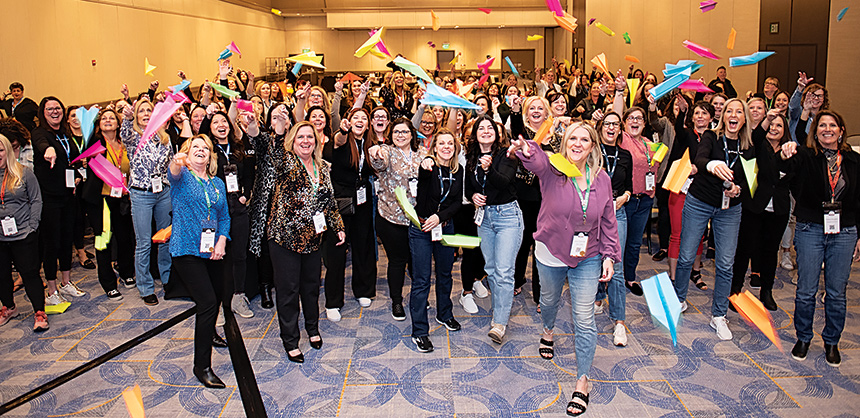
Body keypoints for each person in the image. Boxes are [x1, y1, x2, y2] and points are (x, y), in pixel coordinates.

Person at [509, 122, 619, 417]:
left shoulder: (602, 179)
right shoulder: (553, 171)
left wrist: (609, 255)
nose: (578, 143)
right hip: (552, 251)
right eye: (573, 138)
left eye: (585, 139)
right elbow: (537, 159)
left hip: (588, 254)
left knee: (584, 319)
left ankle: (582, 381)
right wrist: (526, 149)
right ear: (564, 142)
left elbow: (608, 220)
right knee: (549, 302)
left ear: (593, 146)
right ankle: (548, 330)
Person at [245, 114, 345, 363]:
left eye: (310, 137)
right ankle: (290, 340)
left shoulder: (322, 167)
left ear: (316, 141)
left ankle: (312, 329)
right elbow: (272, 152)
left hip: (313, 238)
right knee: (288, 291)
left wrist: (338, 226)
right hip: (283, 239)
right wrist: (278, 132)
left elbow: (328, 201)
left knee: (311, 288)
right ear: (292, 140)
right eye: (300, 136)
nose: (305, 140)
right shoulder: (286, 162)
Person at [780, 110, 857, 367]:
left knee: (836, 292)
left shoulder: (855, 161)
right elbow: (785, 170)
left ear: (841, 130)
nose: (827, 129)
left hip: (844, 232)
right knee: (806, 290)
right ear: (816, 131)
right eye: (822, 125)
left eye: (832, 125)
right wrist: (786, 150)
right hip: (810, 228)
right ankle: (803, 338)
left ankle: (832, 341)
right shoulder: (806, 156)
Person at [673, 98, 754, 341]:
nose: (733, 115)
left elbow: (750, 179)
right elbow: (699, 160)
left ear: (744, 119)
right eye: (729, 110)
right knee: (687, 255)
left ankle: (719, 315)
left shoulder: (749, 145)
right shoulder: (711, 137)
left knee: (726, 264)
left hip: (730, 209)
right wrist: (713, 164)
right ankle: (678, 299)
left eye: (739, 112)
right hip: (700, 201)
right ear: (723, 116)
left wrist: (737, 189)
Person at [168, 134, 230, 388]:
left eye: (205, 148)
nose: (201, 150)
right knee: (207, 302)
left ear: (210, 156)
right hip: (187, 250)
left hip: (212, 250)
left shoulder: (217, 184)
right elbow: (172, 172)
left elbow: (224, 216)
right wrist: (177, 161)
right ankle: (201, 366)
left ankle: (210, 331)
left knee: (216, 296)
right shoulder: (182, 178)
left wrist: (222, 241)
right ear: (187, 151)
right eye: (196, 147)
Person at [464, 115, 521, 344]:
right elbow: (468, 187)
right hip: (485, 218)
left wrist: (489, 170)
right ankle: (500, 311)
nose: (486, 131)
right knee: (491, 268)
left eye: (490, 128)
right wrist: (472, 196)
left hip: (508, 216)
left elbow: (503, 182)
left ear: (497, 134)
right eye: (481, 128)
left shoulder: (506, 155)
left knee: (505, 271)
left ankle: (499, 322)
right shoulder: (471, 156)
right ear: (475, 133)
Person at [730, 110, 792, 311]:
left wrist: (784, 158)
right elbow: (756, 135)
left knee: (769, 251)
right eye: (771, 125)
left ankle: (767, 291)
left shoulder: (791, 152)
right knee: (744, 249)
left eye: (779, 126)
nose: (774, 128)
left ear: (785, 131)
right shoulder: (757, 147)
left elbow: (790, 178)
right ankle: (735, 290)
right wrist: (767, 118)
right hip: (754, 205)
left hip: (779, 209)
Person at [409, 129, 464, 352]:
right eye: (441, 143)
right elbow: (422, 195)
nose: (446, 147)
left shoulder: (457, 171)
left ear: (455, 147)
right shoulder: (428, 167)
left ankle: (444, 314)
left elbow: (457, 204)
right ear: (435, 147)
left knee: (445, 275)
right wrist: (426, 165)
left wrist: (440, 217)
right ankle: (420, 331)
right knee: (421, 280)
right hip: (421, 227)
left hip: (445, 227)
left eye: (450, 143)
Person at [323, 108, 378, 320]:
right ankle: (333, 301)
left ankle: (363, 290)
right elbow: (337, 140)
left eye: (364, 118)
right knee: (337, 248)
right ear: (349, 121)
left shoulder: (369, 144)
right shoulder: (343, 140)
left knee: (363, 245)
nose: (360, 121)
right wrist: (343, 130)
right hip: (342, 198)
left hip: (363, 198)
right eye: (356, 117)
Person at [31, 97, 86, 306]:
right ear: (43, 112)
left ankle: (66, 282)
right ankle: (52, 290)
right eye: (49, 109)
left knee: (66, 240)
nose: (55, 111)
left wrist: (76, 175)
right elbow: (43, 146)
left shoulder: (65, 133)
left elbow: (68, 161)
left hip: (68, 195)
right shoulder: (40, 133)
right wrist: (49, 150)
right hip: (49, 198)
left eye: (57, 108)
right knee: (51, 243)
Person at [368, 118, 422, 320]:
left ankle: (419, 298)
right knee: (397, 261)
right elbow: (379, 163)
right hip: (391, 218)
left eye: (404, 131)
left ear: (411, 134)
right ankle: (397, 301)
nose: (400, 135)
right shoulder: (387, 152)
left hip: (417, 219)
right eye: (397, 131)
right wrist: (375, 154)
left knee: (417, 262)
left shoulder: (421, 154)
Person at [121, 97, 173, 305]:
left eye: (148, 110)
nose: (145, 114)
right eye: (141, 111)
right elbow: (124, 133)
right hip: (141, 194)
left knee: (165, 238)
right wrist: (126, 118)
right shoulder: (133, 137)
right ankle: (145, 287)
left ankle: (168, 279)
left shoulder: (164, 137)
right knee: (143, 243)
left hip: (164, 192)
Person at [203, 111, 255, 319]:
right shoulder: (208, 151)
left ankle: (238, 296)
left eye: (224, 121)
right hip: (217, 209)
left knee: (240, 255)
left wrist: (246, 195)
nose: (221, 125)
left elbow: (250, 173)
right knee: (218, 255)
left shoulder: (238, 148)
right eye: (215, 122)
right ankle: (220, 302)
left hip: (239, 207)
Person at [81, 108, 136, 299]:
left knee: (124, 238)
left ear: (118, 122)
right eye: (104, 118)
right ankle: (108, 282)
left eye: (112, 117)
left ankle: (127, 273)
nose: (108, 120)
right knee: (103, 241)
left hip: (121, 199)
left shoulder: (124, 144)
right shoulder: (95, 144)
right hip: (101, 200)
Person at [593, 111, 633, 347]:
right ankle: (599, 297)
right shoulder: (592, 152)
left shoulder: (625, 155)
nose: (611, 128)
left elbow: (629, 186)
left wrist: (625, 197)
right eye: (607, 124)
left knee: (616, 267)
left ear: (620, 129)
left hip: (617, 212)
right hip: (593, 214)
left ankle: (619, 323)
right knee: (593, 260)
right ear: (600, 127)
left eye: (615, 125)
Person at [0, 134, 47, 331]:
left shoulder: (24, 173)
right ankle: (9, 307)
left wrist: (32, 227)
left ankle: (39, 312)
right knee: (2, 275)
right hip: (0, 237)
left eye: (0, 150)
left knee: (29, 273)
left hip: (24, 234)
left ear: (8, 151)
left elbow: (36, 200)